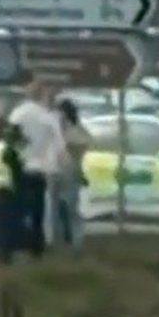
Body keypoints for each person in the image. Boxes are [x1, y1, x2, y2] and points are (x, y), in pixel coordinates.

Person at [8, 81, 66, 256]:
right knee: (37, 208)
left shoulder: (17, 114)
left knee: (18, 206)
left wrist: (20, 152)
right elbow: (59, 143)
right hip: (40, 167)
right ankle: (36, 246)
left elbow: (10, 140)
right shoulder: (46, 116)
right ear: (41, 95)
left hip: (19, 166)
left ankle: (17, 243)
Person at [0, 122, 26, 263]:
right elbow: (17, 173)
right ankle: (6, 256)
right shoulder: (10, 151)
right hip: (7, 190)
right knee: (9, 224)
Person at [56, 99, 92, 250]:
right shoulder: (60, 129)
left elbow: (81, 144)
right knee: (61, 208)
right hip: (60, 172)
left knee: (70, 208)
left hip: (70, 172)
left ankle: (74, 241)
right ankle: (65, 240)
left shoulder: (74, 130)